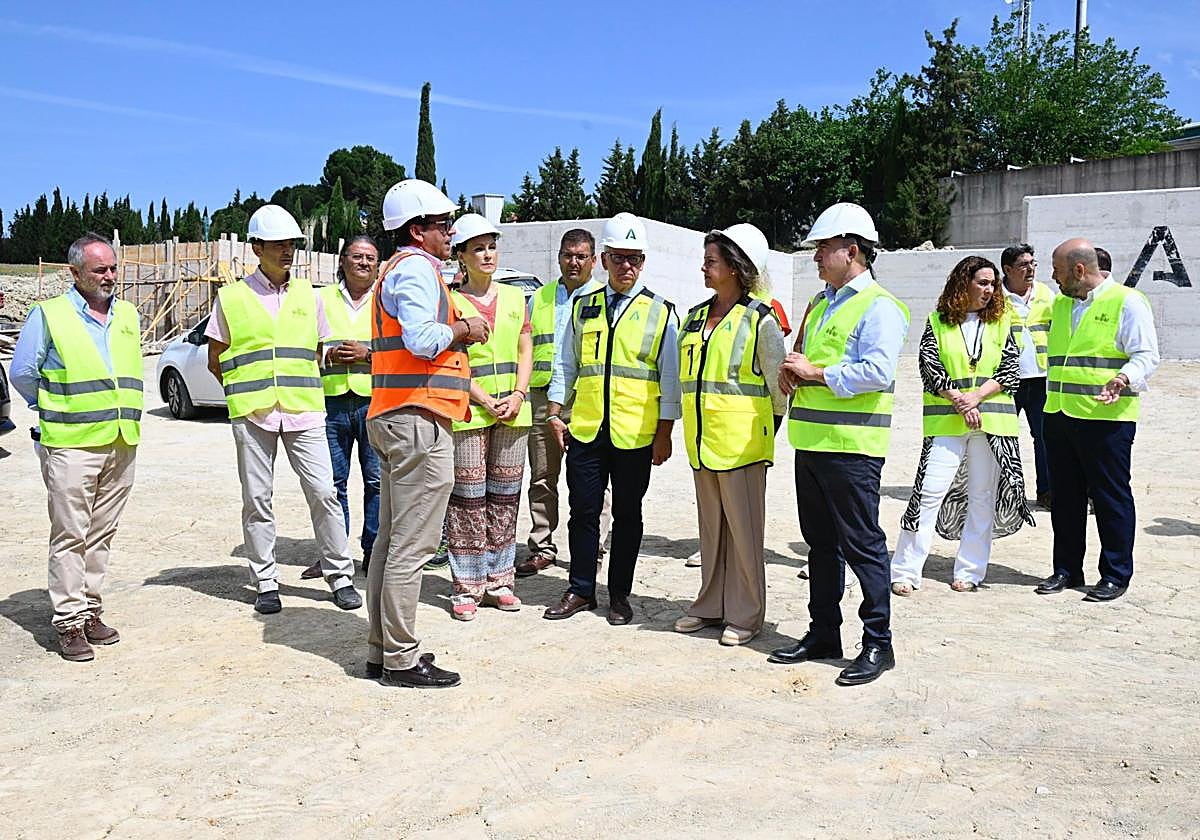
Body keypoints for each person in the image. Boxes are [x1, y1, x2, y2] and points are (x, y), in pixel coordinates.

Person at [768, 202, 909, 687]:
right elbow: (810, 361)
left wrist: (816, 373)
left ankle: (878, 644)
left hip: (851, 447)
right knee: (821, 546)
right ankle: (824, 633)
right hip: (811, 442)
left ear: (852, 251)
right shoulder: (823, 303)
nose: (815, 257)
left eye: (823, 249)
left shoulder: (880, 306)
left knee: (863, 545)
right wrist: (794, 374)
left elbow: (877, 371)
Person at [205, 205, 362, 615]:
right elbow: (215, 358)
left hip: (304, 410)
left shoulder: (310, 298)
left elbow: (320, 351)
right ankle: (266, 581)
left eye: (291, 243)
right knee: (257, 498)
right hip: (253, 414)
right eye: (277, 243)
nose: (287, 250)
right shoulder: (231, 298)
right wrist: (242, 395)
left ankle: (339, 574)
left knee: (325, 492)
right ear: (256, 247)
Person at [364, 179, 489, 688]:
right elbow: (421, 341)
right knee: (411, 547)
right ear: (417, 230)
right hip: (416, 419)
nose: (450, 231)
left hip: (395, 414)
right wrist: (464, 330)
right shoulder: (415, 269)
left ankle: (384, 649)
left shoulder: (399, 270)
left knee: (392, 542)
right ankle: (400, 657)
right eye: (442, 224)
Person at [543, 212, 680, 625]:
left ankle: (619, 593)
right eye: (618, 257)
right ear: (603, 259)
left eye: (634, 258)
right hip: (585, 428)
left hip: (635, 434)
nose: (626, 267)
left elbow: (669, 381)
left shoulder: (660, 312)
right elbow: (566, 363)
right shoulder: (584, 307)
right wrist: (554, 411)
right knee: (582, 511)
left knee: (628, 515)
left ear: (643, 261)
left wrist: (664, 434)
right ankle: (580, 588)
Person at [10, 232, 142, 661]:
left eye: (113, 268)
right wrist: (49, 407)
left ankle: (90, 609)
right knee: (70, 534)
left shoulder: (128, 315)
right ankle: (68, 623)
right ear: (74, 273)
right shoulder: (48, 315)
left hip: (121, 440)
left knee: (101, 534)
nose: (109, 276)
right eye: (99, 269)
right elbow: (24, 373)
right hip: (70, 444)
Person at [891, 256, 1033, 594]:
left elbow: (1010, 367)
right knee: (928, 493)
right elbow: (929, 367)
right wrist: (959, 399)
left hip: (993, 422)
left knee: (982, 496)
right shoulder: (938, 321)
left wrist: (976, 398)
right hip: (946, 421)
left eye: (992, 284)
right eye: (982, 282)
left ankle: (969, 570)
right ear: (963, 282)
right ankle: (906, 571)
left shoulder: (1004, 320)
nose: (989, 289)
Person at [673, 224, 787, 646]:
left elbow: (779, 389)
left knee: (744, 534)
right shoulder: (695, 317)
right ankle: (709, 605)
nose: (703, 267)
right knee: (711, 532)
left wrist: (763, 433)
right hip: (703, 444)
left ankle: (746, 614)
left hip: (742, 446)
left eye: (711, 261)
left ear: (736, 269)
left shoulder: (760, 319)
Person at [1035, 238, 1159, 602]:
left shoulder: (1127, 302)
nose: (1053, 277)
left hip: (1107, 418)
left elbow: (1146, 355)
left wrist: (1123, 378)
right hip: (1058, 414)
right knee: (1066, 499)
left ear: (1079, 270)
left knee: (1109, 497)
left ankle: (1116, 573)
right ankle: (1067, 570)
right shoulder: (1059, 304)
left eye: (1057, 270)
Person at [443, 214, 532, 620]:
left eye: (491, 246)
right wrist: (481, 396)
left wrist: (518, 393)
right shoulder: (450, 301)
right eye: (477, 248)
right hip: (468, 410)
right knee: (467, 498)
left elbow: (524, 347)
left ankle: (500, 579)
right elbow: (450, 357)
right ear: (461, 255)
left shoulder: (515, 298)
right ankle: (466, 585)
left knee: (505, 497)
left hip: (513, 412)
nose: (487, 254)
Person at [517, 229, 612, 578]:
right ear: (559, 256)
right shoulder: (539, 297)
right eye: (568, 255)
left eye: (581, 256)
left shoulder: (604, 298)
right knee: (542, 476)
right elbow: (524, 348)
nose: (573, 262)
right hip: (542, 400)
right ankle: (542, 546)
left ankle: (594, 548)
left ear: (593, 259)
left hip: (586, 399)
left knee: (591, 479)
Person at [300, 235, 381, 581]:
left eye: (371, 258)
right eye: (357, 256)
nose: (364, 263)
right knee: (332, 483)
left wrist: (368, 355)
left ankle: (374, 551)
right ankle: (334, 555)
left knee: (377, 481)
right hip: (330, 402)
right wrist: (328, 355)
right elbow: (306, 346)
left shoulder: (386, 300)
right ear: (343, 260)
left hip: (375, 401)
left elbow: (401, 350)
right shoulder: (321, 298)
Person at [1000, 244, 1055, 510]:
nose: (1030, 269)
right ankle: (1005, 493)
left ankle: (1047, 491)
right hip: (1005, 380)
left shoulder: (1046, 294)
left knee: (1044, 436)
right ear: (1008, 270)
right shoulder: (995, 297)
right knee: (1001, 437)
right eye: (1024, 264)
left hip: (1041, 377)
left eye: (1033, 263)